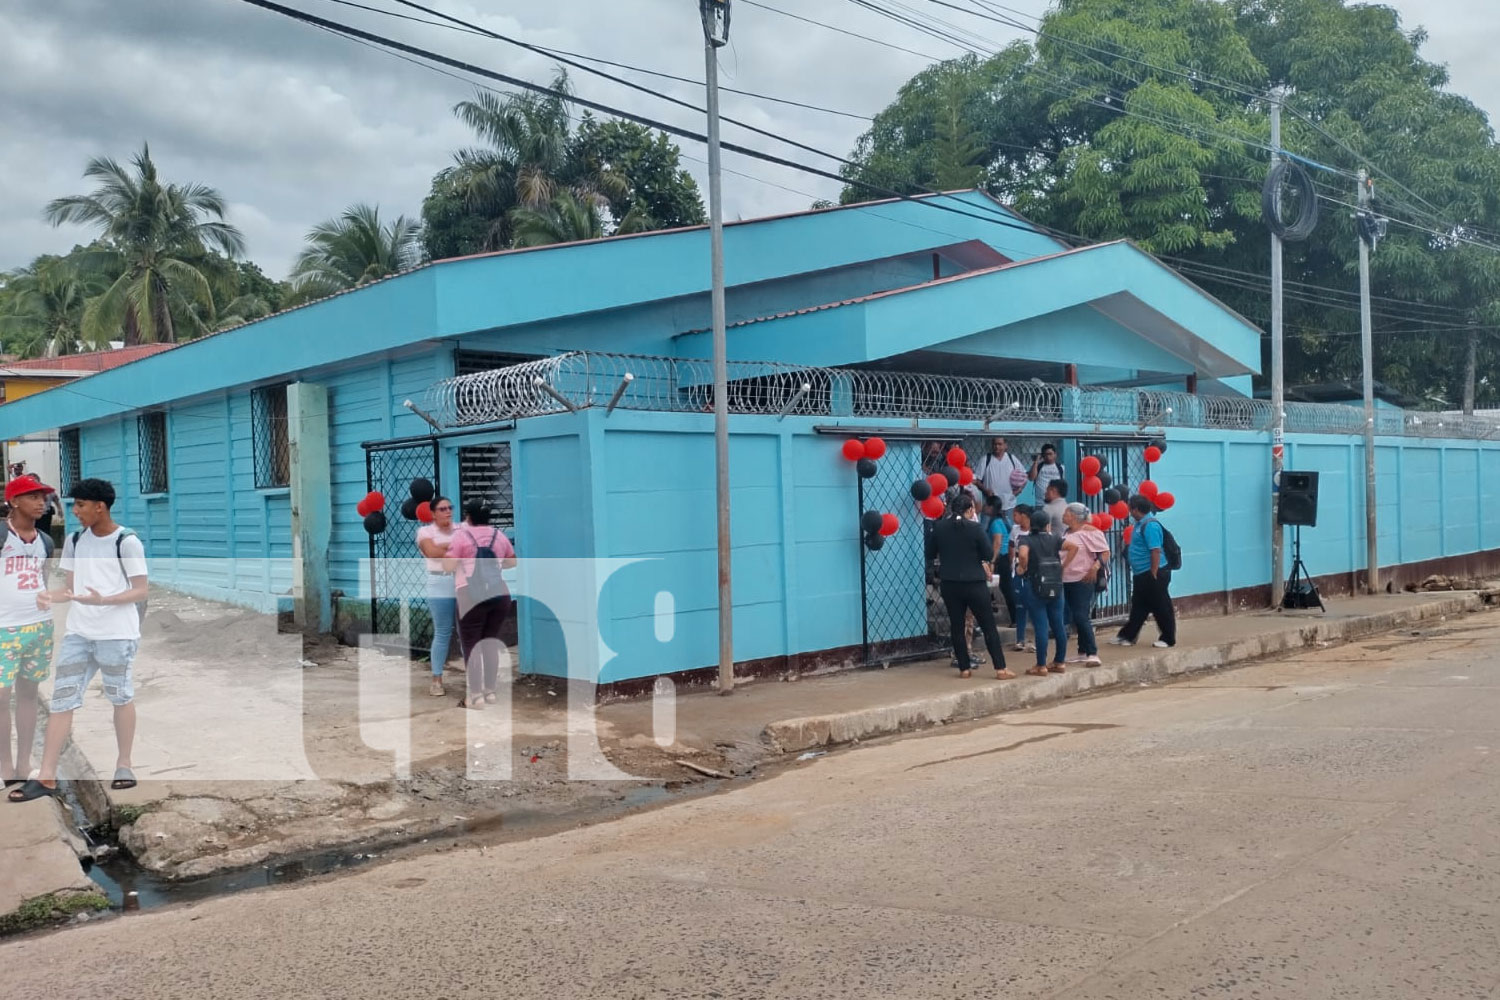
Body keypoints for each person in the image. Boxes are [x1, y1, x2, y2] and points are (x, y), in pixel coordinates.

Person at [10, 478, 147, 802]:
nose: (76, 512)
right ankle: (46, 777)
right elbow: (71, 589)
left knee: (120, 696)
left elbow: (141, 589)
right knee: (62, 701)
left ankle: (124, 765)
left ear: (100, 506)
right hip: (79, 635)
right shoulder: (74, 540)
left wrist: (105, 600)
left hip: (116, 635)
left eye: (81, 506)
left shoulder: (126, 542)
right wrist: (47, 597)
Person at [0, 477, 56, 788]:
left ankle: (24, 762)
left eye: (43, 497)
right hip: (2, 629)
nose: (41, 503)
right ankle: (4, 766)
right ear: (14, 501)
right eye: (32, 497)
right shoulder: (1, 536)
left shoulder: (44, 541)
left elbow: (43, 580)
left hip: (38, 628)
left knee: (28, 695)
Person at [924, 494, 1011, 680]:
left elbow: (930, 552)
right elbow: (987, 553)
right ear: (970, 510)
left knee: (957, 626)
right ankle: (1000, 668)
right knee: (988, 625)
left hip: (950, 583)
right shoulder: (975, 528)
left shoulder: (939, 528)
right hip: (974, 583)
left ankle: (964, 668)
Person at [444, 499, 517, 709]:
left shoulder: (461, 536)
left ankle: (475, 696)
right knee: (490, 642)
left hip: (470, 596)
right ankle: (490, 692)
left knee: (471, 645)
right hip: (499, 595)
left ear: (468, 517)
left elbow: (448, 565)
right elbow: (512, 561)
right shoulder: (498, 535)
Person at [1112, 495, 1177, 649]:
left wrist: (1153, 573)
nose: (1129, 510)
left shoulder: (1150, 525)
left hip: (1153, 573)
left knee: (1161, 606)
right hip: (1142, 573)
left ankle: (1168, 638)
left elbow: (1155, 551)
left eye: (1130, 508)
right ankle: (1128, 635)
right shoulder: (1140, 524)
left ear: (1135, 509)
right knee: (1139, 606)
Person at [1015, 505, 1067, 675]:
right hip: (1055, 584)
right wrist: (1062, 567)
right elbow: (1074, 547)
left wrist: (1022, 568)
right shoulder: (1055, 538)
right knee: (1058, 624)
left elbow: (1022, 555)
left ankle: (1041, 665)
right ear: (1047, 525)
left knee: (1041, 626)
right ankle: (1059, 662)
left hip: (1035, 585)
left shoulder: (1026, 540)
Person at [415, 496, 458, 698]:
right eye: (442, 509)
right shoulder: (425, 532)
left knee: (467, 630)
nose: (447, 512)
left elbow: (469, 551)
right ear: (433, 513)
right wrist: (453, 547)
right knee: (442, 632)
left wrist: (444, 547)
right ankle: (436, 679)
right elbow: (432, 552)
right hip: (439, 582)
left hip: (461, 581)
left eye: (450, 508)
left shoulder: (460, 529)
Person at [1060, 503, 1110, 666]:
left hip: (1082, 579)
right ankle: (1082, 651)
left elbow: (1105, 552)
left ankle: (1092, 652)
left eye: (1066, 512)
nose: (1063, 515)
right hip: (1066, 579)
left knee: (1081, 615)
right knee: (1074, 615)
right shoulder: (1066, 532)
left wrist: (1095, 567)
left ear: (1074, 516)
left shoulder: (1090, 532)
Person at [985, 495, 1016, 628]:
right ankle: (1014, 618)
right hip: (1003, 557)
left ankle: (1015, 619)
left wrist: (992, 561)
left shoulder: (996, 522)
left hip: (1000, 558)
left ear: (991, 507)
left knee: (1006, 589)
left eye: (986, 505)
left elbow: (997, 542)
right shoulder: (1002, 520)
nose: (984, 507)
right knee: (1006, 589)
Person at [976, 436, 1027, 518]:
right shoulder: (985, 459)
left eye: (1000, 444)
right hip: (990, 505)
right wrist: (985, 490)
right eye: (995, 444)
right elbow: (977, 481)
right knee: (986, 529)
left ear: (1005, 445)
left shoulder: (1012, 459)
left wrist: (1019, 490)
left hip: (1009, 505)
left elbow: (1025, 477)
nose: (997, 447)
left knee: (1007, 529)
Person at [1008, 504, 1033, 652]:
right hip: (1017, 571)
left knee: (1034, 606)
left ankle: (1036, 638)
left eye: (1016, 515)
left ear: (1023, 515)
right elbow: (1011, 548)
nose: (1013, 518)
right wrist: (1012, 566)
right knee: (1020, 606)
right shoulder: (1015, 530)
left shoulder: (1036, 530)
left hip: (1032, 572)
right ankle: (1020, 639)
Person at [1029, 442, 1063, 507]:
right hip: (1041, 504)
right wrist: (1036, 461)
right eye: (1045, 454)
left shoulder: (1061, 468)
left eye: (1050, 454)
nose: (1048, 456)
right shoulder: (1038, 467)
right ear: (1043, 456)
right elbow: (1031, 478)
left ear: (1055, 454)